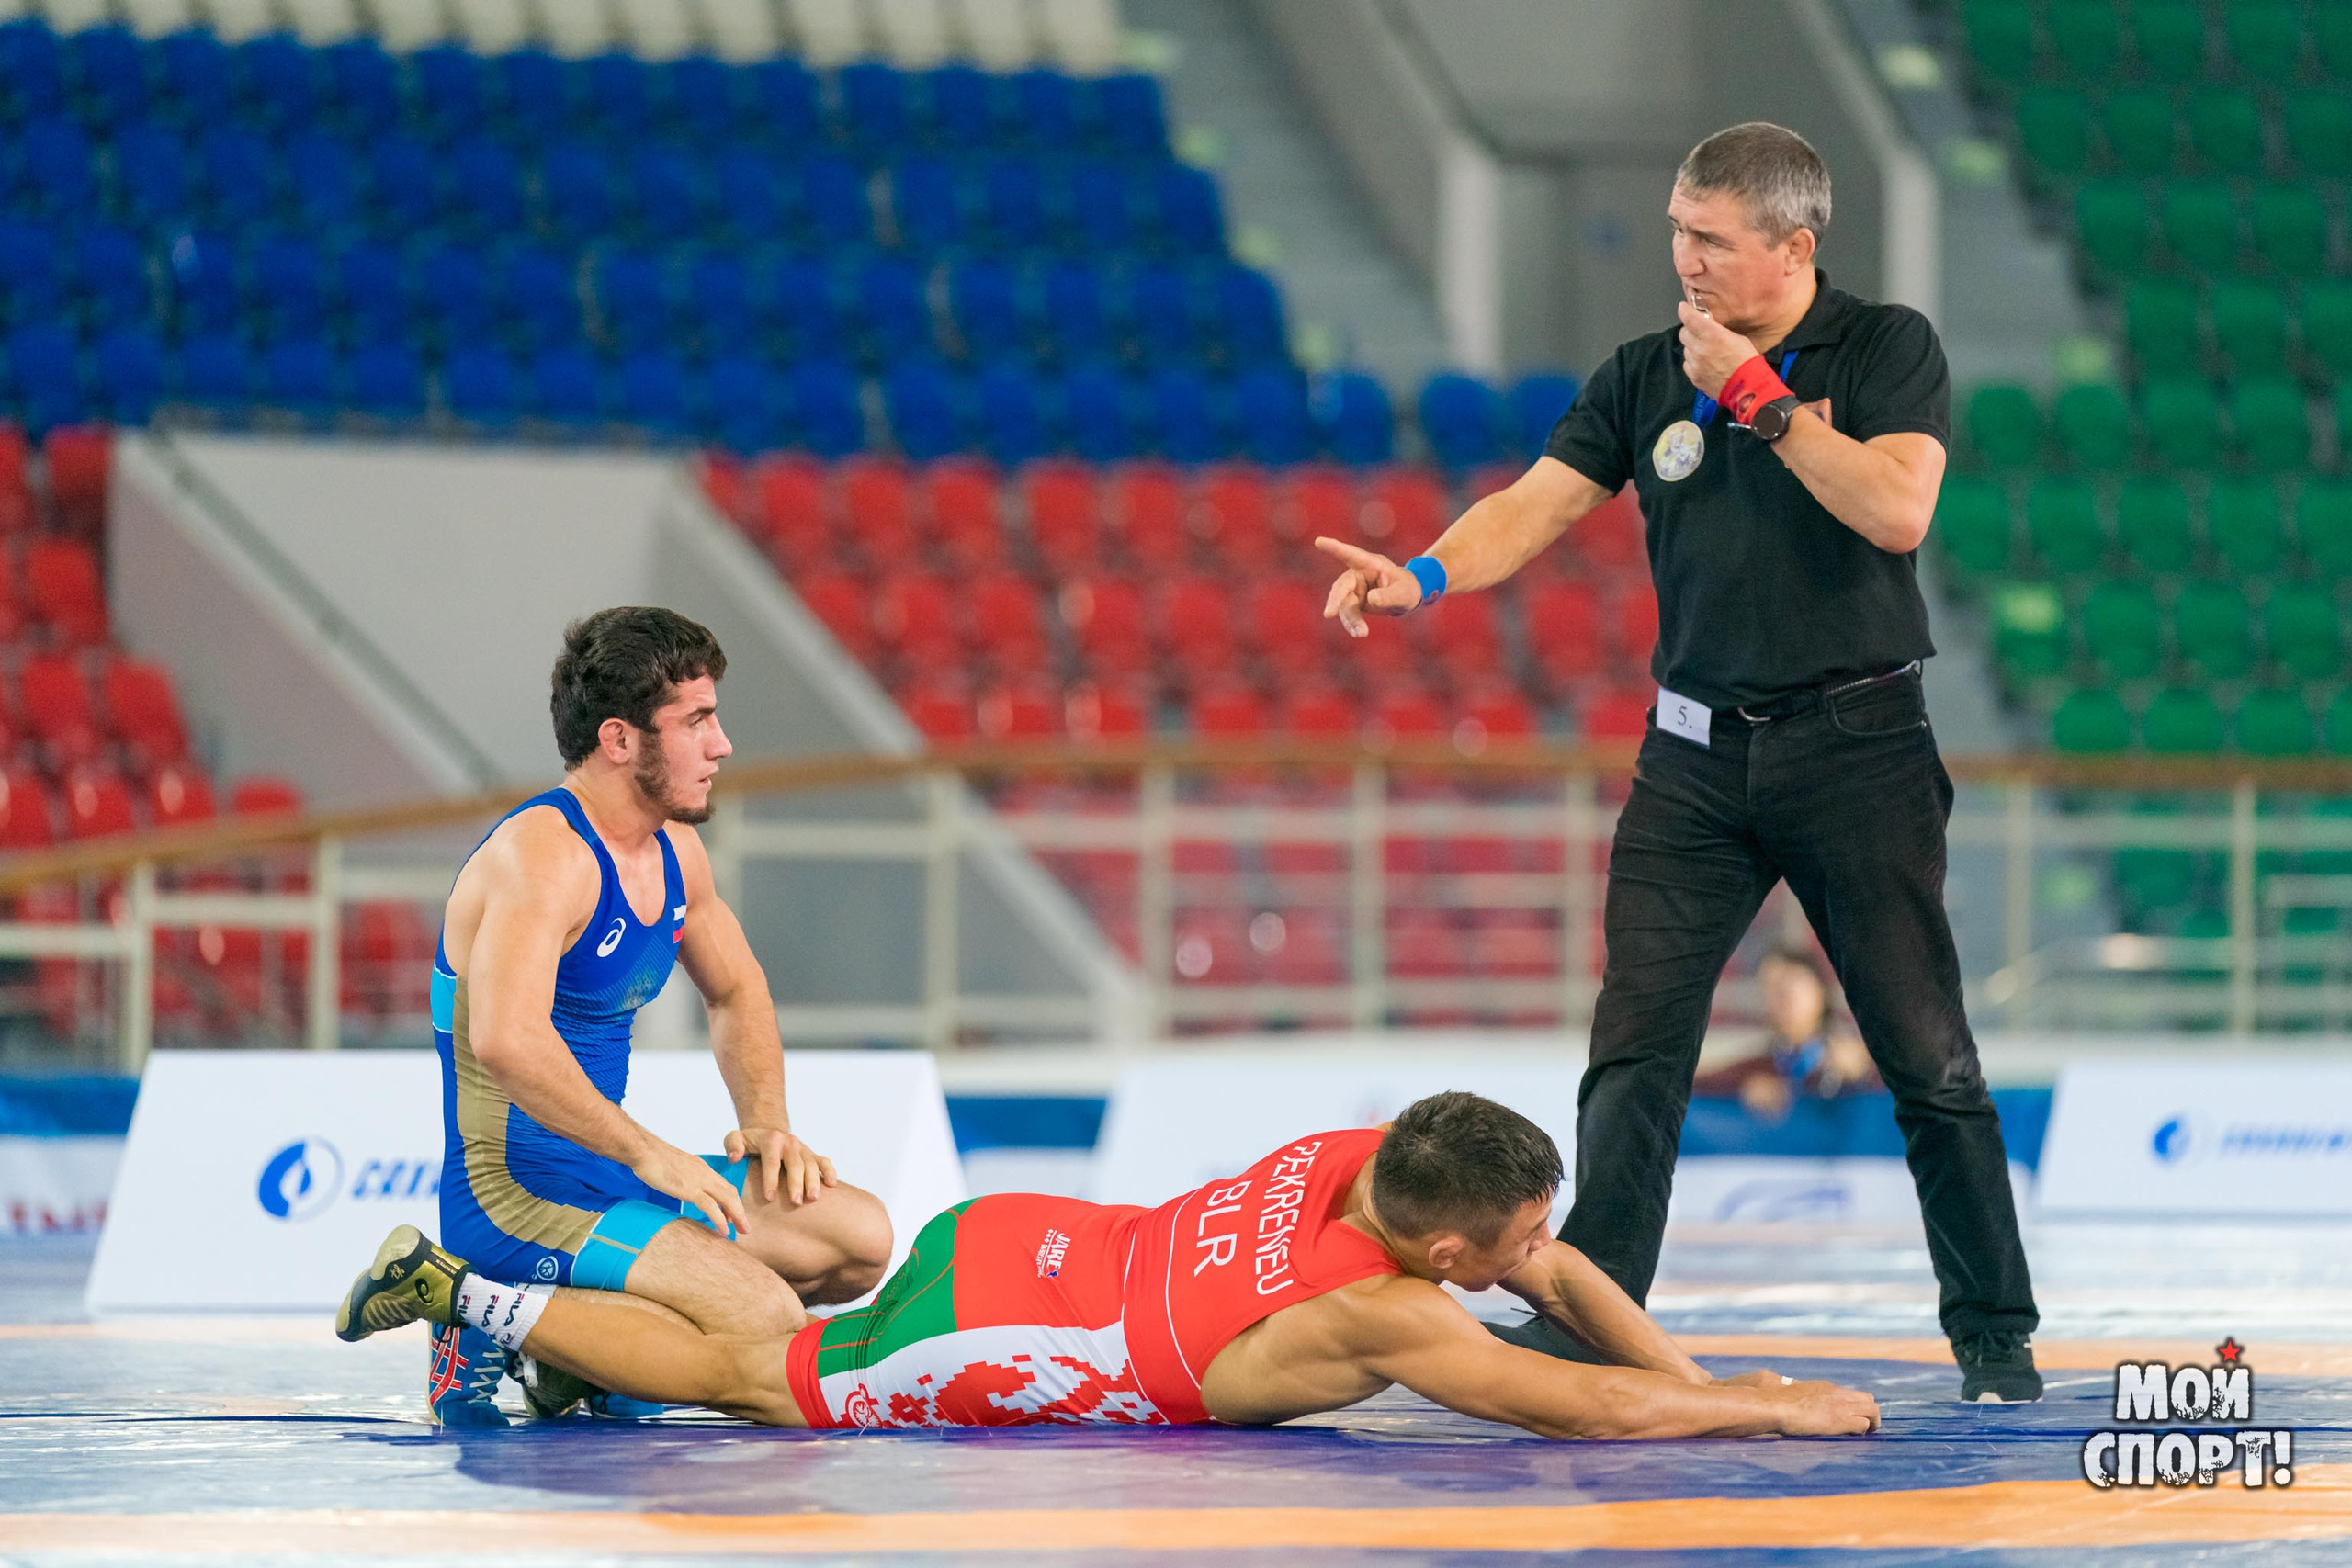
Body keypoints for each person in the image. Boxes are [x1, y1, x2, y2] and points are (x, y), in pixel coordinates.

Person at [1314, 123, 2041, 1402]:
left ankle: (1995, 1334)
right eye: (1675, 232)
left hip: (1857, 745)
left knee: (1924, 1053)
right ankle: (1598, 1314)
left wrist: (1758, 398)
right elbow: (1535, 503)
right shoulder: (1648, 370)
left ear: (1793, 246)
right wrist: (1421, 572)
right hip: (1694, 754)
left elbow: (1897, 507)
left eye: (1710, 238)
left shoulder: (1883, 348)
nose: (1683, 259)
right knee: (1635, 1042)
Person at [338, 1091, 1881, 1440]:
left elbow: (1571, 1284)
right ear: (1448, 1245)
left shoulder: (1380, 1151)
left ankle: (557, 1329)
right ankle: (470, 1292)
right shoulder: (1390, 1310)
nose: (1540, 1260)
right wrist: (1761, 1404)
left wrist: (1693, 1367)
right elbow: (1586, 1409)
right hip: (1021, 1322)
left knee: (792, 1331)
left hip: (1034, 1235)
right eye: (1518, 1241)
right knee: (768, 1377)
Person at [423, 606, 892, 1426]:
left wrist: (768, 1123)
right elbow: (506, 1038)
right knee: (765, 1321)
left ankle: (573, 1364)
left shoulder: (675, 850)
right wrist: (652, 1151)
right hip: (513, 1195)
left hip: (606, 1178)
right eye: (697, 721)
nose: (722, 744)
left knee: (859, 1240)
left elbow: (737, 990)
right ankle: (474, 1300)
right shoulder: (543, 858)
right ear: (619, 740)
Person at [1692, 945, 1881, 1121]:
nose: (1780, 996)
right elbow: (1696, 1082)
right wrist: (1741, 1088)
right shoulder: (1761, 1067)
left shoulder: (1863, 1057)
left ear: (1820, 989)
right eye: (1769, 988)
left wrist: (1866, 1074)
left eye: (1789, 983)